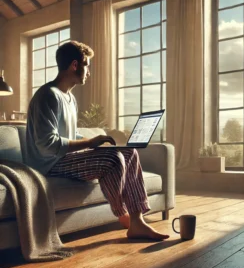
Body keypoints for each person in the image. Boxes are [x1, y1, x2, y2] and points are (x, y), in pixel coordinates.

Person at [26, 40, 169, 241]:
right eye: (87, 66)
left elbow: (69, 135)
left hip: (65, 158)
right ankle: (122, 213)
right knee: (112, 160)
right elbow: (47, 144)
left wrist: (94, 142)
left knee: (129, 152)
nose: (89, 72)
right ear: (75, 65)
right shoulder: (48, 96)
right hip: (48, 164)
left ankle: (138, 222)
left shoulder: (70, 98)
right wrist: (89, 144)